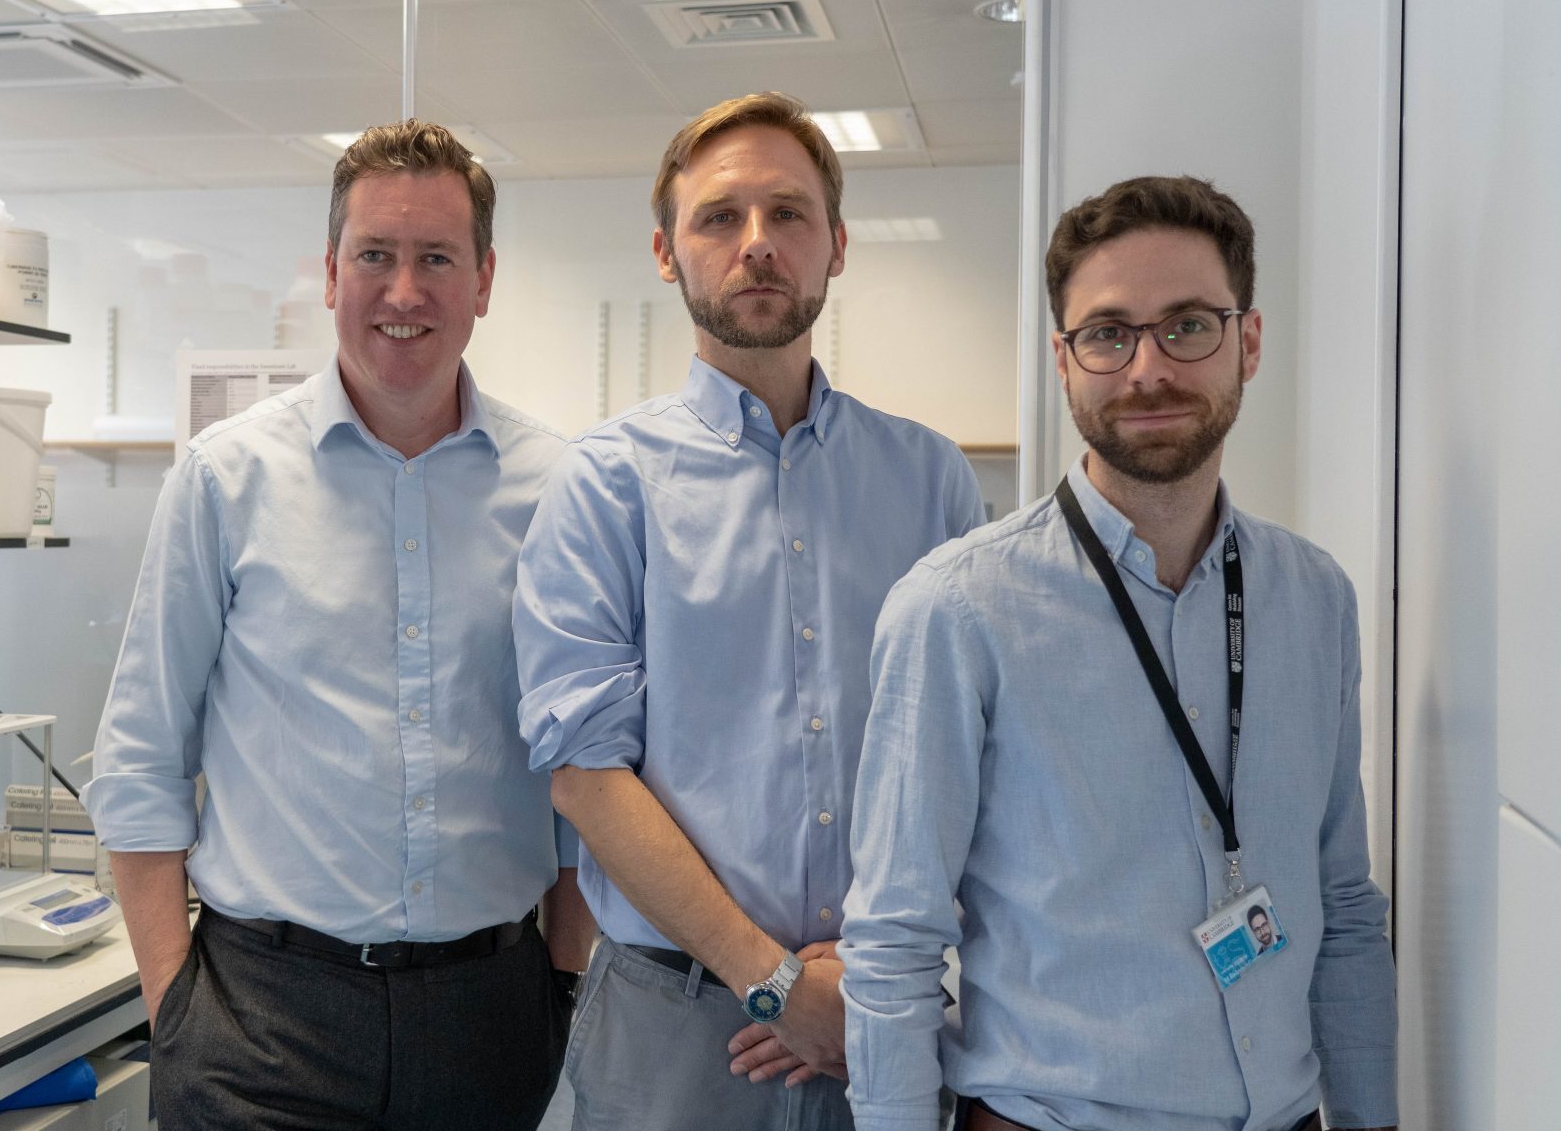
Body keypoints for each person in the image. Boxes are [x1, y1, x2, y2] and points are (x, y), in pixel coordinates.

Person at [840, 175, 1397, 1131]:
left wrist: (1373, 1116)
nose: (1148, 369)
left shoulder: (1314, 600)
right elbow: (894, 942)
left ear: (1248, 343)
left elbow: (1343, 903)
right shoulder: (957, 610)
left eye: (1188, 326)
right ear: (1064, 361)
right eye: (1108, 334)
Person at [87, 120, 592, 1131]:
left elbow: (582, 773)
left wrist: (561, 982)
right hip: (261, 1023)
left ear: (483, 280)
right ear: (329, 274)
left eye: (436, 258)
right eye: (373, 256)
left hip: (490, 1015)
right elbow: (140, 757)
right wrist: (175, 1010)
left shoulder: (558, 488)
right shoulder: (225, 480)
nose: (403, 292)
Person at [514, 91, 985, 1130]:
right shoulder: (606, 485)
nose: (757, 243)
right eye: (719, 217)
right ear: (665, 252)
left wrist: (862, 972)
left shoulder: (928, 481)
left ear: (836, 244)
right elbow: (585, 775)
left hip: (881, 1009)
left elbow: (968, 751)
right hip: (674, 1023)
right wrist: (772, 981)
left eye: (788, 213)